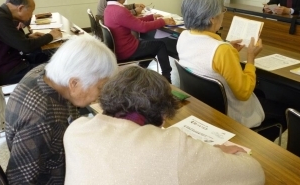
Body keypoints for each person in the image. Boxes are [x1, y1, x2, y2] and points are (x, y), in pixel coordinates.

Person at [64, 66, 265, 185]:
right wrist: (218, 155)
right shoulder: (171, 147)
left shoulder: (75, 131)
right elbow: (255, 174)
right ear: (162, 116)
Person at [177, 0, 287, 141]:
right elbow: (244, 93)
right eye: (222, 10)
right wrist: (250, 58)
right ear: (212, 18)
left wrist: (230, 49)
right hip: (231, 117)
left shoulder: (184, 36)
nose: (223, 14)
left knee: (262, 95)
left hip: (203, 109)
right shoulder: (221, 50)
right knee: (284, 110)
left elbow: (205, 58)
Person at [5, 36, 118, 184]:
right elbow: (18, 181)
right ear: (74, 83)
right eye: (100, 88)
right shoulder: (46, 120)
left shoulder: (43, 73)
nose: (100, 96)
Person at [104, 0, 175, 83]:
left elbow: (132, 21)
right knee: (160, 45)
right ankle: (167, 79)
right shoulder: (120, 10)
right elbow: (142, 27)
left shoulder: (108, 9)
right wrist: (163, 21)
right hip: (127, 50)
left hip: (120, 49)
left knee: (150, 46)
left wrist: (151, 17)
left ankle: (137, 74)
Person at [0, 0, 62, 85]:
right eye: (31, 12)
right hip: (8, 71)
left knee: (51, 56)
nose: (31, 15)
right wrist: (50, 36)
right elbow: (26, 47)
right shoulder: (0, 19)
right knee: (57, 70)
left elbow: (12, 40)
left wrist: (27, 37)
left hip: (12, 61)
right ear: (20, 8)